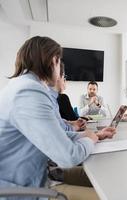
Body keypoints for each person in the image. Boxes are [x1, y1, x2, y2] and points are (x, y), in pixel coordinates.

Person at [0, 36, 116, 199]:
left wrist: (94, 135)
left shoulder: (21, 86)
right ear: (52, 61)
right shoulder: (29, 92)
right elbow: (68, 157)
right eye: (58, 60)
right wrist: (90, 139)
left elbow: (55, 134)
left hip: (32, 180)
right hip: (20, 192)